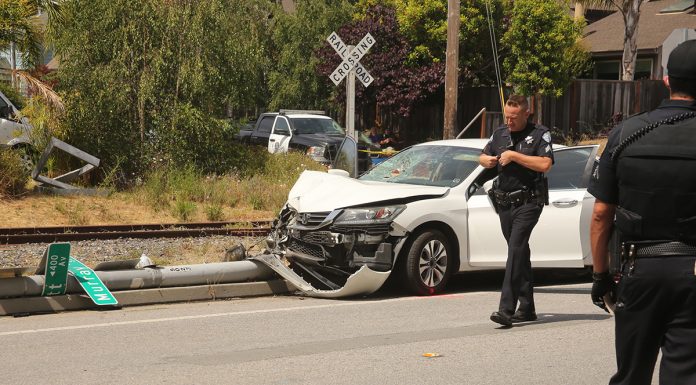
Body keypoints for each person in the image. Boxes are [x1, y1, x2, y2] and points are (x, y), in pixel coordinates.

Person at [588, 39, 696, 385]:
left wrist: (601, 276)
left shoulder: (626, 133)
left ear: (666, 79)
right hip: (692, 271)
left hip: (638, 269)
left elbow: (602, 213)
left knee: (631, 374)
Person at [479, 95, 554, 327]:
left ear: (526, 113)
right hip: (504, 203)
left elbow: (545, 164)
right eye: (506, 116)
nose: (509, 122)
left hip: (529, 202)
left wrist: (513, 156)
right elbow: (481, 156)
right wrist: (487, 161)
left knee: (515, 249)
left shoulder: (540, 134)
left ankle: (506, 310)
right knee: (520, 253)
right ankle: (527, 307)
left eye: (514, 117)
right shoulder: (500, 133)